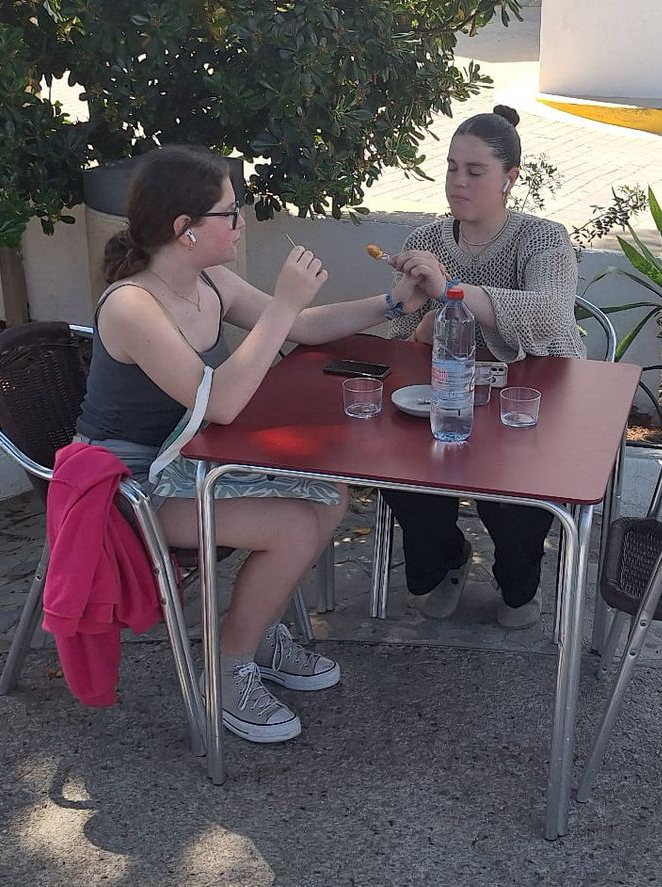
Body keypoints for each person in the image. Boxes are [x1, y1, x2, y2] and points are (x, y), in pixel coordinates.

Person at [73, 146, 430, 743]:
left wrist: (393, 302)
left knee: (326, 494)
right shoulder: (133, 305)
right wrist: (286, 302)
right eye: (229, 213)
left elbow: (304, 326)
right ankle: (227, 668)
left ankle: (258, 632)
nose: (241, 223)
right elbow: (221, 403)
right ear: (185, 230)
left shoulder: (207, 279)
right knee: (290, 527)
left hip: (188, 461)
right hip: (126, 490)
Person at [384, 105, 584, 629]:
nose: (458, 182)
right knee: (399, 470)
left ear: (509, 177)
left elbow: (549, 311)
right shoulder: (424, 241)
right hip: (445, 393)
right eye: (451, 168)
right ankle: (444, 560)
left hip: (534, 391)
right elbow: (402, 337)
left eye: (475, 172)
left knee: (512, 495)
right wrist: (421, 323)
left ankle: (518, 581)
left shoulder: (543, 238)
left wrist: (452, 293)